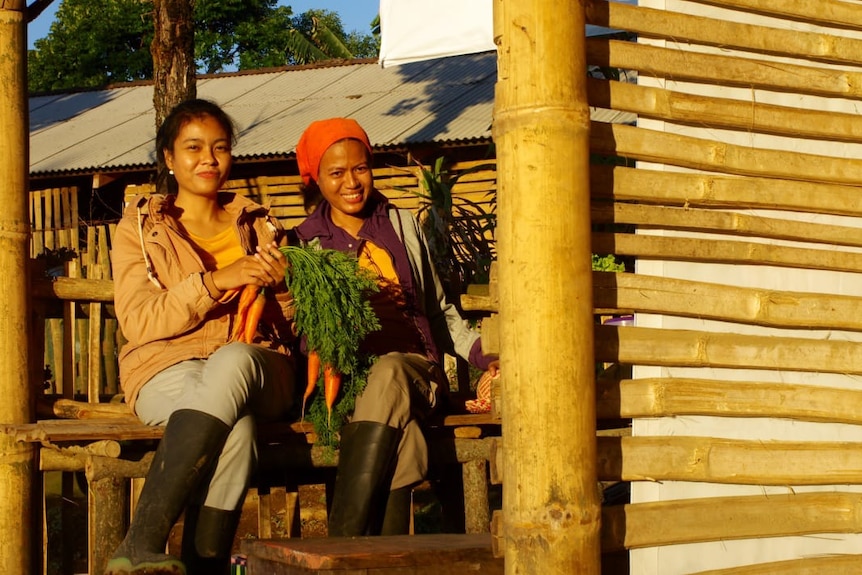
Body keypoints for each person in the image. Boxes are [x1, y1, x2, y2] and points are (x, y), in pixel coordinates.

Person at [105, 99, 297, 575]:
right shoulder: (140, 230)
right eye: (193, 147)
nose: (208, 159)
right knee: (240, 430)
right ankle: (203, 567)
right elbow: (139, 322)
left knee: (233, 358)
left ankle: (141, 538)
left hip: (258, 367)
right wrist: (215, 281)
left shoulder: (263, 226)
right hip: (166, 368)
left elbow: (294, 328)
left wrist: (285, 289)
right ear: (168, 158)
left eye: (220, 147)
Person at [293, 117, 500, 536]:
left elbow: (439, 311)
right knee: (406, 442)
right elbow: (303, 334)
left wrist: (488, 355)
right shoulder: (303, 244)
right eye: (336, 173)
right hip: (346, 386)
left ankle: (341, 545)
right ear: (315, 178)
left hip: (414, 371)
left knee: (388, 372)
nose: (351, 181)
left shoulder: (401, 226)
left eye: (360, 168)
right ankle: (379, 559)